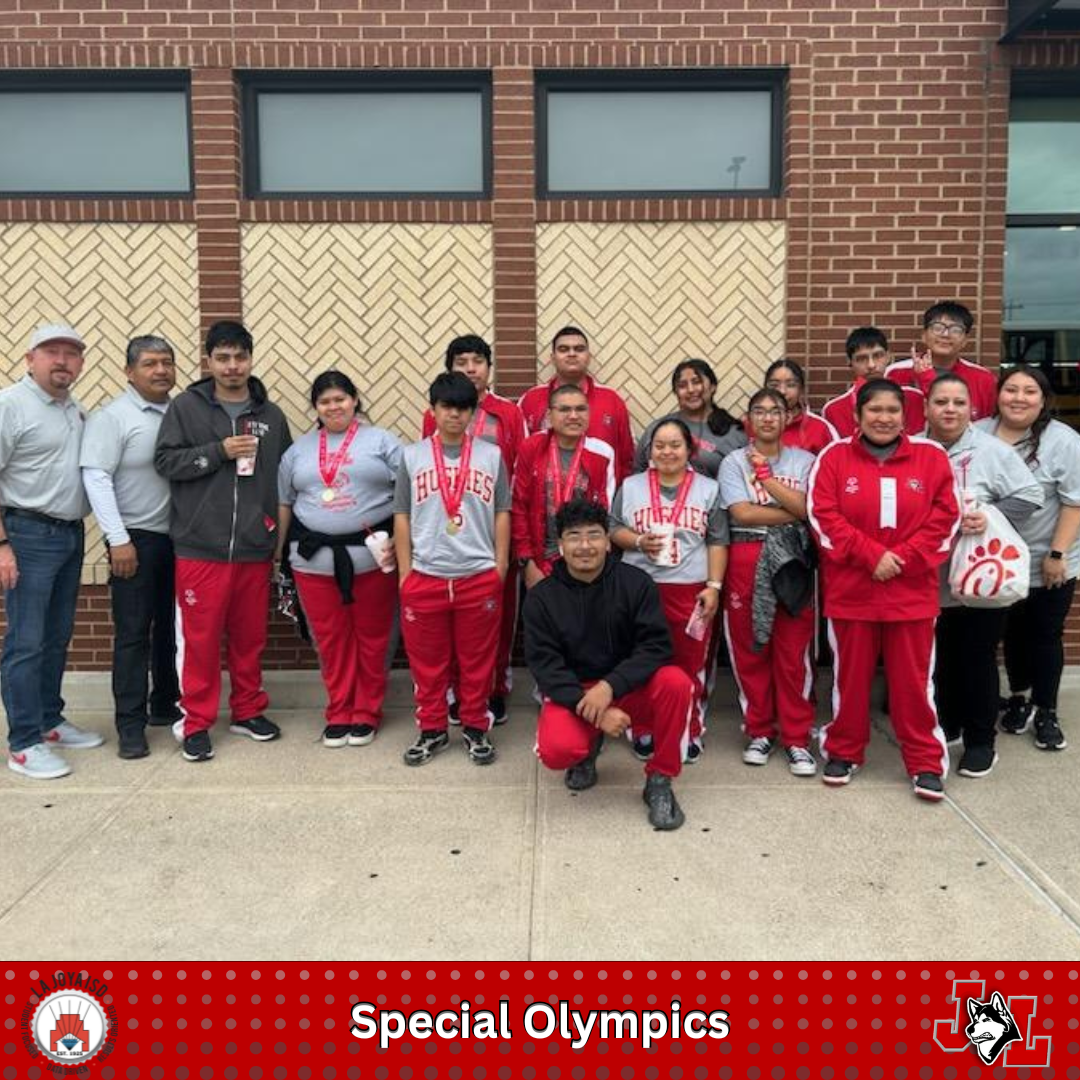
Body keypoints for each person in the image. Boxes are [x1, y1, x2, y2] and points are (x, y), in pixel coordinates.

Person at [807, 378, 960, 800]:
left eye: (893, 410)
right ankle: (844, 750)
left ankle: (925, 761)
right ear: (857, 415)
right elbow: (823, 516)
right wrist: (871, 556)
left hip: (912, 594)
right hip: (853, 591)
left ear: (905, 416)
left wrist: (903, 559)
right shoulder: (834, 457)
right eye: (874, 410)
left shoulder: (931, 456)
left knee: (912, 684)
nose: (884, 418)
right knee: (849, 679)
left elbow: (946, 518)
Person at [154, 320, 292, 763]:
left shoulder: (270, 415)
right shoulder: (186, 408)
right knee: (200, 640)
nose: (233, 366)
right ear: (208, 361)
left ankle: (248, 711)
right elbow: (165, 462)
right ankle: (196, 722)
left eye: (240, 357)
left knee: (250, 638)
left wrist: (274, 532)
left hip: (254, 547)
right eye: (223, 358)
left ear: (250, 359)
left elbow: (282, 478)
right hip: (200, 548)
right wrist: (217, 452)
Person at [523, 498, 695, 831]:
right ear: (560, 545)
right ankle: (585, 750)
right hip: (577, 694)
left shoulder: (636, 583)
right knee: (556, 751)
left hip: (628, 687)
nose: (585, 546)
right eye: (574, 536)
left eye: (594, 535)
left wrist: (610, 686)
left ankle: (660, 779)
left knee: (676, 682)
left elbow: (656, 646)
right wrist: (597, 711)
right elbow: (546, 668)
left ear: (607, 540)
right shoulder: (541, 598)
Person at [924, 372, 1042, 778]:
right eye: (941, 402)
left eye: (958, 402)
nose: (950, 410)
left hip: (980, 577)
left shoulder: (992, 451)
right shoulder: (914, 450)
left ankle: (980, 741)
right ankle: (950, 723)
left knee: (976, 659)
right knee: (940, 658)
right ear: (927, 407)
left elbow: (1031, 495)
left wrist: (988, 515)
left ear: (971, 409)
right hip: (930, 577)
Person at [278, 371, 402, 749]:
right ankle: (339, 709)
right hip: (311, 563)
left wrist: (402, 540)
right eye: (325, 401)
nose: (333, 407)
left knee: (374, 637)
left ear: (354, 400)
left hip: (372, 561)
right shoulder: (298, 450)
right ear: (315, 407)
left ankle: (366, 711)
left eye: (340, 399)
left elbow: (406, 497)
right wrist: (278, 553)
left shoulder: (382, 442)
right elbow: (285, 502)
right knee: (329, 640)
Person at [0, 323, 102, 780]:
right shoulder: (10, 406)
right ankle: (23, 743)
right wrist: (2, 545)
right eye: (51, 352)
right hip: (26, 534)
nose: (62, 360)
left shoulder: (72, 409)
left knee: (56, 635)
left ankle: (49, 719)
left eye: (71, 353)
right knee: (25, 642)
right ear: (29, 359)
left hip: (68, 534)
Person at [394, 371, 511, 767]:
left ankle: (476, 728)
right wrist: (405, 574)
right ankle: (431, 730)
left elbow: (502, 512)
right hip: (425, 576)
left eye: (463, 408)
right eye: (447, 407)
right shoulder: (411, 456)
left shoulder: (491, 456)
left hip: (477, 575)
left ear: (473, 413)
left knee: (478, 661)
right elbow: (401, 516)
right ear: (433, 410)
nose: (455, 416)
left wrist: (500, 566)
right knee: (428, 663)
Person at [80, 335, 181, 760]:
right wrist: (118, 539)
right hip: (135, 539)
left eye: (167, 362)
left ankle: (165, 706)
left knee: (171, 633)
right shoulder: (114, 417)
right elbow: (96, 477)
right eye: (150, 364)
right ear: (129, 371)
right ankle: (130, 725)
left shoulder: (181, 412)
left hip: (179, 540)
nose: (160, 371)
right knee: (134, 634)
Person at [421, 335, 525, 726]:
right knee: (448, 622)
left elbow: (519, 474)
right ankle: (454, 691)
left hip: (491, 530)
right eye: (460, 361)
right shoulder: (435, 414)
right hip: (446, 534)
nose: (469, 368)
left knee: (495, 619)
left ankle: (493, 690)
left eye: (477, 361)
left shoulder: (508, 414)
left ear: (488, 367)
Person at [612, 418, 727, 764]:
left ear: (688, 449)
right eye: (659, 445)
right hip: (639, 590)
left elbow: (718, 540)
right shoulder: (630, 486)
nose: (667, 452)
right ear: (649, 450)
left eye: (675, 445)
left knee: (689, 662)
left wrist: (714, 586)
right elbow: (613, 528)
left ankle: (689, 728)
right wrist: (637, 541)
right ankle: (644, 727)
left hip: (690, 590)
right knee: (639, 660)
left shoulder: (708, 488)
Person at [718, 389, 818, 776]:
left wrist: (768, 482)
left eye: (775, 411)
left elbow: (813, 510)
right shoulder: (731, 461)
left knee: (793, 653)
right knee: (751, 647)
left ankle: (796, 738)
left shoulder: (806, 461)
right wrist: (791, 510)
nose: (766, 418)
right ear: (748, 419)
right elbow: (741, 512)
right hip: (746, 556)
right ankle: (759, 730)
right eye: (758, 411)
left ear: (788, 416)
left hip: (794, 560)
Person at [981, 367, 1080, 753]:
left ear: (1043, 400)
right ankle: (1019, 698)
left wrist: (1057, 554)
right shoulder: (980, 434)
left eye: (1029, 391)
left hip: (1046, 559)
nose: (1018, 398)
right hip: (996, 562)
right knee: (1008, 634)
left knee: (1044, 636)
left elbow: (1074, 503)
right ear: (998, 395)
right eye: (1011, 390)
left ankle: (1047, 710)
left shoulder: (1064, 441)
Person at [513, 383, 615, 589]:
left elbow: (604, 512)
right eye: (564, 409)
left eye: (580, 409)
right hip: (540, 561)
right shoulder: (531, 447)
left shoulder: (602, 453)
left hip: (583, 559)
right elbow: (519, 506)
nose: (573, 416)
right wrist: (528, 563)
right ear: (549, 415)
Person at [518, 326, 635, 481]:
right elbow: (519, 456)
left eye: (579, 349)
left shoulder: (612, 400)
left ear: (588, 357)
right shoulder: (531, 400)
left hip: (600, 500)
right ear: (552, 358)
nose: (572, 354)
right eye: (563, 349)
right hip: (544, 499)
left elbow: (627, 458)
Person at [634, 358, 747, 478]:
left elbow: (745, 482)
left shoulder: (734, 434)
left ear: (713, 386)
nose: (690, 390)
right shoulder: (658, 428)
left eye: (697, 382)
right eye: (682, 385)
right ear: (676, 392)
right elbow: (638, 472)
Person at [885, 301, 997, 421]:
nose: (945, 335)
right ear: (923, 335)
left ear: (965, 340)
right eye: (937, 328)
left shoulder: (984, 379)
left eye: (955, 330)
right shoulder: (896, 372)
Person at [822, 327, 926, 439]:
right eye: (862, 358)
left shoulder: (914, 398)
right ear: (849, 362)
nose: (871, 365)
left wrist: (926, 378)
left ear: (888, 356)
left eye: (877, 356)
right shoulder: (834, 409)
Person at [764, 358, 838, 455]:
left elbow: (837, 466)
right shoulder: (751, 425)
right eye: (774, 385)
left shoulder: (821, 428)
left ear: (801, 390)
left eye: (790, 385)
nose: (782, 391)